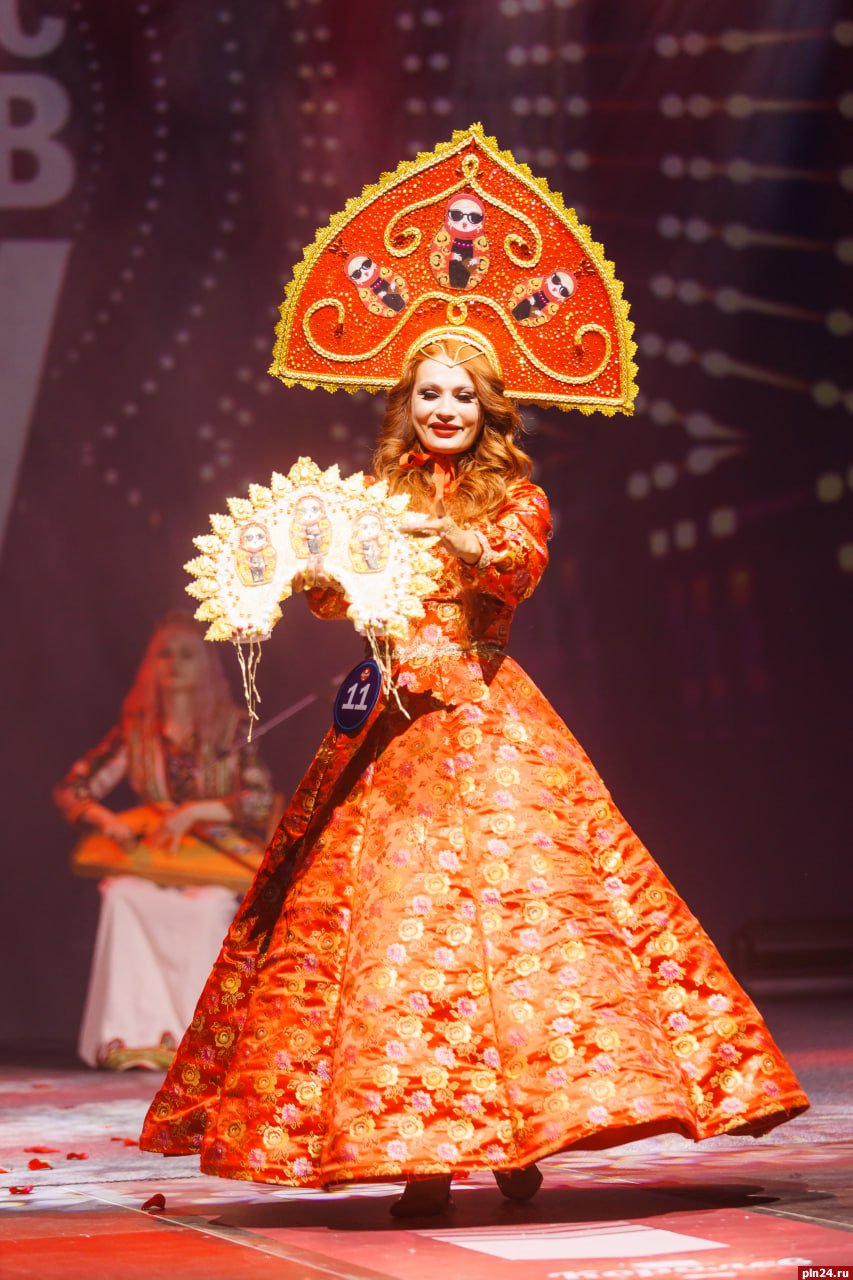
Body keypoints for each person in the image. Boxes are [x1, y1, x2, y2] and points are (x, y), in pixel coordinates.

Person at [139, 127, 807, 1215]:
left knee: (525, 926)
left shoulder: (514, 496)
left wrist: (445, 537)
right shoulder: (378, 494)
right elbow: (343, 600)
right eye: (428, 394)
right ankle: (422, 1155)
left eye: (460, 394)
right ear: (404, 403)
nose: (443, 409)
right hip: (385, 735)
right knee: (393, 940)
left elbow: (515, 571)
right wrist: (316, 568)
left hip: (487, 728)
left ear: (488, 407)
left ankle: (520, 1134)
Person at [55, 612, 274, 1071]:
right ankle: (133, 1036)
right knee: (121, 892)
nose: (174, 664)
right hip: (155, 856)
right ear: (151, 667)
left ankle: (199, 1040)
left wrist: (193, 812)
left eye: (186, 655)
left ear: (205, 667)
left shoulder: (232, 729)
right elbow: (75, 789)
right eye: (165, 655)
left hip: (212, 859)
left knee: (207, 907)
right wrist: (106, 821)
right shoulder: (136, 733)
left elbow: (258, 799)